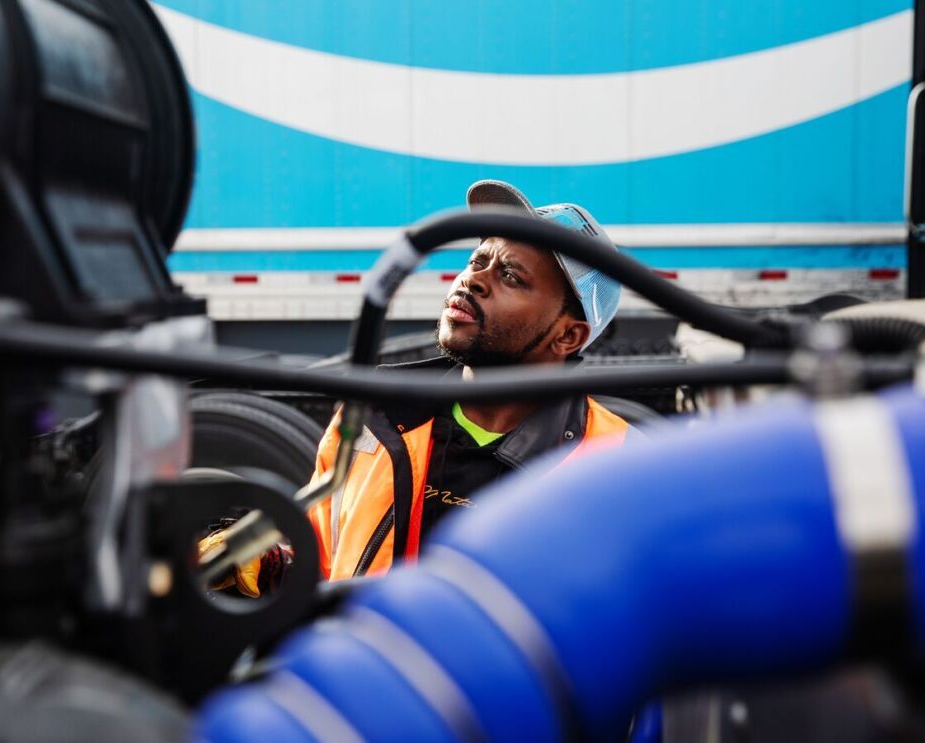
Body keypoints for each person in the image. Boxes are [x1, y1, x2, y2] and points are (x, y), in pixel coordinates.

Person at [199, 180, 637, 592]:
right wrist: (269, 562)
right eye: (477, 261)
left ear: (567, 336)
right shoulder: (373, 417)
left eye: (510, 276)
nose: (473, 279)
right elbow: (326, 556)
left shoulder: (618, 465)